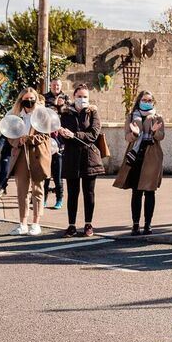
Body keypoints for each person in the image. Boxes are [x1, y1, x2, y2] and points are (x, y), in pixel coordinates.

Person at [114, 90, 165, 235]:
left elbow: (161, 137)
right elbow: (127, 138)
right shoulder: (132, 117)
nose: (147, 102)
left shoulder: (157, 117)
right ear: (139, 101)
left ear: (153, 102)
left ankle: (148, 225)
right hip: (135, 156)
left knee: (150, 192)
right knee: (136, 192)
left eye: (150, 100)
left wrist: (155, 131)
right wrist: (135, 133)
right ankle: (135, 225)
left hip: (152, 157)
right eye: (144, 100)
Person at [6, 88, 52, 236]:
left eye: (32, 98)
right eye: (26, 98)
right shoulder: (15, 116)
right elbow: (8, 135)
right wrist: (17, 141)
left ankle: (36, 223)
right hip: (20, 155)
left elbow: (46, 136)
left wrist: (30, 139)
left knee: (38, 189)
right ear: (21, 100)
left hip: (37, 155)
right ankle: (22, 224)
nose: (29, 101)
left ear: (36, 100)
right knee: (22, 191)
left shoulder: (42, 115)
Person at [57, 84, 102, 237]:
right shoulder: (66, 113)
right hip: (71, 158)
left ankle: (88, 224)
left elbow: (93, 134)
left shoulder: (93, 113)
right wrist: (64, 134)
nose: (82, 99)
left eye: (85, 97)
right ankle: (71, 225)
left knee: (89, 193)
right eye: (79, 96)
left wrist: (74, 135)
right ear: (74, 97)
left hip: (89, 158)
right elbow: (62, 137)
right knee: (72, 193)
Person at [43, 80, 67, 210]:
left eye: (58, 85)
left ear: (61, 87)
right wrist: (54, 104)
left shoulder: (66, 98)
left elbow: (68, 112)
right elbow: (42, 112)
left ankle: (59, 199)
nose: (56, 87)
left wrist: (60, 106)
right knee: (46, 173)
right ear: (50, 86)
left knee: (58, 174)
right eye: (53, 85)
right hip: (47, 137)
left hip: (59, 139)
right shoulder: (45, 97)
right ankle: (44, 199)